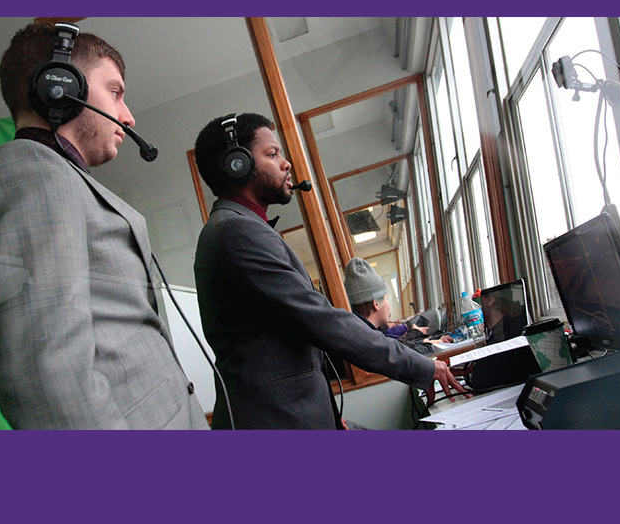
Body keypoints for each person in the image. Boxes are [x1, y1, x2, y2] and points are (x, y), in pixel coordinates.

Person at [0, 22, 208, 430]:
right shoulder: (31, 171)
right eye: (115, 92)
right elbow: (48, 376)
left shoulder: (60, 176)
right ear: (59, 86)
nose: (128, 116)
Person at [193, 113, 467, 429]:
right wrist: (421, 367)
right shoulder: (237, 232)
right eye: (272, 154)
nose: (286, 164)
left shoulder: (241, 227)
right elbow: (320, 320)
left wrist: (331, 418)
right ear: (236, 164)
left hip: (293, 415)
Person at [344, 258, 453, 354]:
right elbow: (398, 356)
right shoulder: (369, 340)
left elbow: (396, 349)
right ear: (376, 304)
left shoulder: (361, 334)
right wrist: (431, 346)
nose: (388, 305)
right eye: (387, 298)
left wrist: (426, 343)